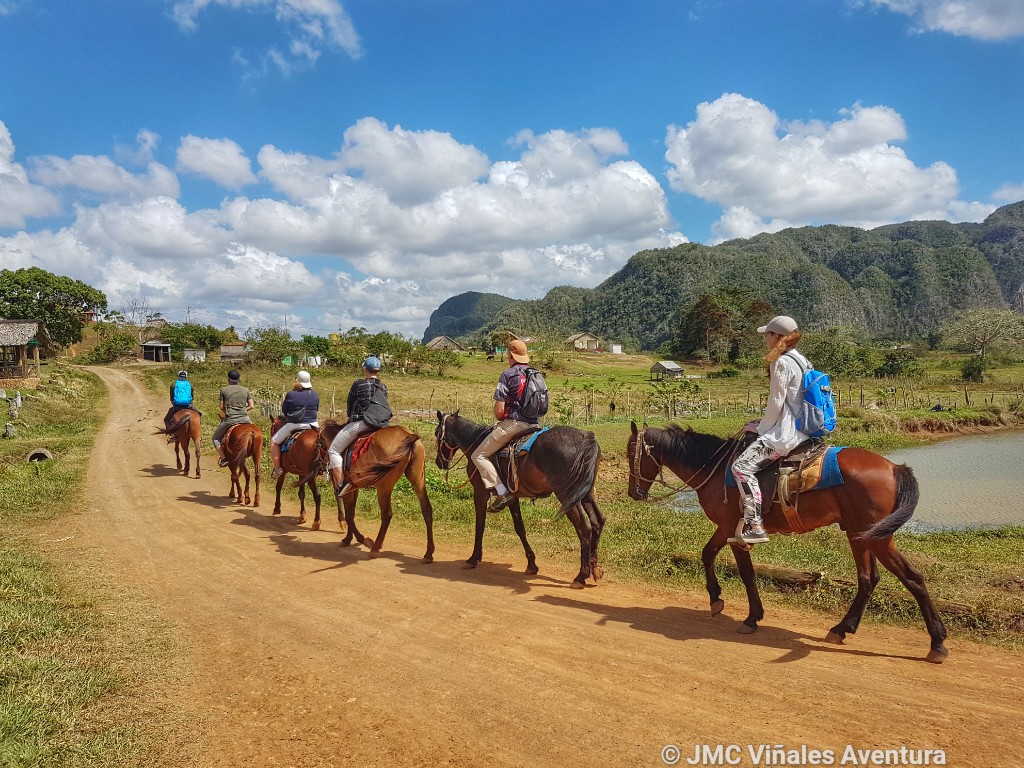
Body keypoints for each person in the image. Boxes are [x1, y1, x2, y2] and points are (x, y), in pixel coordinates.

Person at [729, 315, 812, 546]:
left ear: (776, 336)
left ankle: (755, 525)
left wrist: (761, 429)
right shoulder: (803, 361)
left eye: (767, 334)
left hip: (786, 434)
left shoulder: (781, 361)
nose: (765, 338)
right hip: (804, 429)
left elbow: (776, 402)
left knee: (741, 468)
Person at [471, 339, 540, 513]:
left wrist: (502, 418)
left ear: (510, 355)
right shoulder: (535, 374)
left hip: (515, 424)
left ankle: (502, 492)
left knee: (478, 455)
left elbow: (499, 411)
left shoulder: (508, 375)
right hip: (535, 424)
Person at [328, 356, 389, 497]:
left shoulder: (359, 384)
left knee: (333, 450)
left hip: (362, 423)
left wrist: (351, 416)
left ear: (365, 369)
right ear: (378, 370)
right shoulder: (383, 387)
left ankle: (341, 484)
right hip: (381, 424)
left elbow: (350, 404)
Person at [270, 370, 320, 480]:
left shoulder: (291, 394)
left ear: (297, 381)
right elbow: (316, 409)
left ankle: (277, 468)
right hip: (313, 425)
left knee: (274, 441)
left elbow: (285, 411)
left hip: (294, 424)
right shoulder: (315, 394)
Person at [213, 369, 255, 467]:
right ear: (238, 380)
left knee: (215, 439)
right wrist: (243, 410)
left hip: (230, 419)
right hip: (245, 418)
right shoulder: (246, 390)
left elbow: (221, 406)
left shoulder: (224, 390)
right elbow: (252, 406)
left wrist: (228, 412)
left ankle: (224, 459)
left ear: (229, 379)